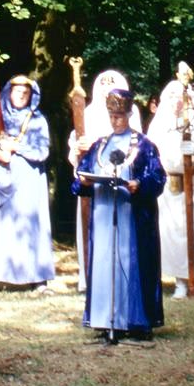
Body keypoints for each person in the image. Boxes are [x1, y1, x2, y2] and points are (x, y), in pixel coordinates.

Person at [74, 88, 166, 344]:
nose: (116, 121)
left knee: (129, 259)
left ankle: (134, 320)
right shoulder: (99, 145)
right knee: (105, 260)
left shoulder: (144, 146)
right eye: (112, 116)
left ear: (129, 114)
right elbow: (81, 175)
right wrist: (83, 182)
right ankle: (106, 319)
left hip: (131, 215)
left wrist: (139, 184)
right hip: (104, 212)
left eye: (121, 116)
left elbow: (158, 178)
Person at [0, 75, 55, 289]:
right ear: (9, 92)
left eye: (25, 93)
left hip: (28, 180)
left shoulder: (37, 120)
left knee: (30, 225)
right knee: (0, 228)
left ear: (31, 95)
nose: (21, 96)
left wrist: (16, 148)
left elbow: (42, 152)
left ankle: (36, 278)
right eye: (17, 91)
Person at [69, 70, 143, 292]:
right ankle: (89, 277)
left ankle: (122, 277)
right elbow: (76, 143)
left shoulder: (131, 112)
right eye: (102, 89)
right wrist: (78, 149)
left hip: (120, 183)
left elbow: (135, 144)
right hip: (94, 187)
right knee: (92, 230)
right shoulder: (87, 112)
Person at [146, 64, 194, 299]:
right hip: (170, 187)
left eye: (181, 97)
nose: (177, 101)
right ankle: (180, 282)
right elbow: (151, 152)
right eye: (172, 96)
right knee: (173, 235)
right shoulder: (160, 124)